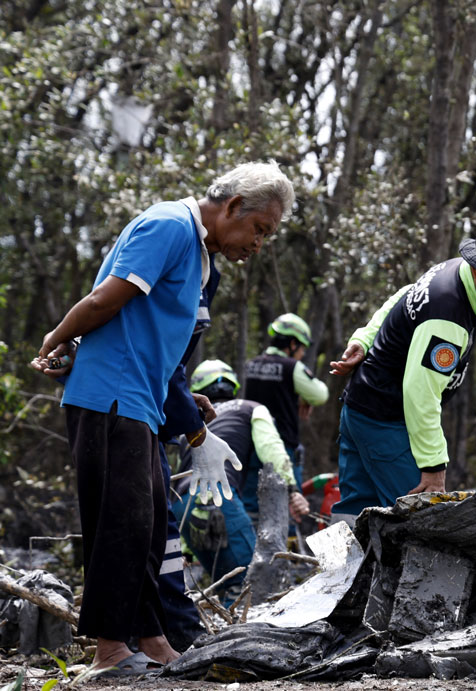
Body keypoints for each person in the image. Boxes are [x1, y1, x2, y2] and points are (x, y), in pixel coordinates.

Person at [31, 161, 294, 674]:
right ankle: (110, 652)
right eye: (259, 229)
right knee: (122, 523)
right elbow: (107, 299)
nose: (259, 244)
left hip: (141, 402)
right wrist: (58, 336)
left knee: (151, 527)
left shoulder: (201, 260)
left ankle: (152, 640)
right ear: (234, 206)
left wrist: (183, 401)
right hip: (109, 395)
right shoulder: (169, 225)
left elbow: (158, 341)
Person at [327, 219, 476, 526]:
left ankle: (341, 573)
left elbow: (404, 293)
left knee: (357, 512)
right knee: (419, 524)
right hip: (387, 424)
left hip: (360, 408)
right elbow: (420, 394)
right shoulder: (448, 320)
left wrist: (365, 337)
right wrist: (433, 466)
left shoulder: (453, 270)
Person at [171, 360, 309, 602]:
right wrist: (292, 489)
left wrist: (185, 549)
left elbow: (183, 482)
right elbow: (272, 450)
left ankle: (220, 631)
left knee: (229, 582)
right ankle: (236, 637)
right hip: (218, 499)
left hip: (182, 506)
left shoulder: (190, 427)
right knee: (252, 580)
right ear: (233, 387)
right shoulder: (251, 408)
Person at [243, 313, 329, 488]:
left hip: (251, 447)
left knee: (251, 504)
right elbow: (321, 395)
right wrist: (306, 398)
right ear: (292, 343)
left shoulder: (251, 364)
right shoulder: (292, 367)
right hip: (282, 449)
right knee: (288, 504)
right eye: (302, 348)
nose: (302, 353)